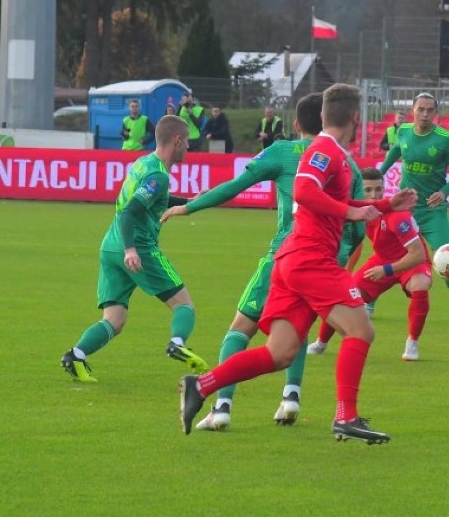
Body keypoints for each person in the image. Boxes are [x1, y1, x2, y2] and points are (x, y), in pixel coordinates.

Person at [178, 83, 417, 444]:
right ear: (355, 118)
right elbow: (305, 192)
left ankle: (204, 385)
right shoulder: (325, 151)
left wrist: (386, 205)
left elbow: (331, 204)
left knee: (281, 353)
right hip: (310, 259)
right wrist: (351, 208)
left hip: (294, 260)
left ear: (322, 114)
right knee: (361, 330)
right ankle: (345, 417)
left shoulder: (330, 153)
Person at [162, 92, 364, 431]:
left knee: (241, 328)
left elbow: (236, 185)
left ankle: (222, 406)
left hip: (285, 257)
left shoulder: (282, 152)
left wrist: (189, 206)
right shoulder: (347, 162)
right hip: (324, 261)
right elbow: (356, 229)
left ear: (297, 124)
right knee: (299, 334)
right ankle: (292, 398)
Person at [60, 115, 208, 382]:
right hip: (137, 248)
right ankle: (177, 343)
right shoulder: (158, 175)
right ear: (176, 141)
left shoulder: (143, 163)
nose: (188, 147)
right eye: (186, 142)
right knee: (184, 305)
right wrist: (131, 249)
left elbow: (150, 200)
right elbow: (129, 211)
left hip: (110, 246)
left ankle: (76, 355)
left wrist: (188, 201)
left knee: (114, 319)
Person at [307, 167, 433, 361]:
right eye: (367, 190)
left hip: (409, 262)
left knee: (420, 286)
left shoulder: (398, 215)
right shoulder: (359, 210)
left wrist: (387, 270)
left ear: (384, 188)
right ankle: (321, 342)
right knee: (344, 295)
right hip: (380, 259)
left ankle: (412, 343)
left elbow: (417, 255)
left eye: (378, 189)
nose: (374, 195)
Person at [379, 92, 449, 326]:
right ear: (413, 110)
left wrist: (444, 192)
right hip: (406, 208)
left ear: (436, 113)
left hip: (434, 211)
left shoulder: (445, 139)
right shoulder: (404, 131)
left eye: (430, 110)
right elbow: (394, 153)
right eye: (420, 109)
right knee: (385, 256)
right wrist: (378, 176)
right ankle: (369, 300)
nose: (425, 114)